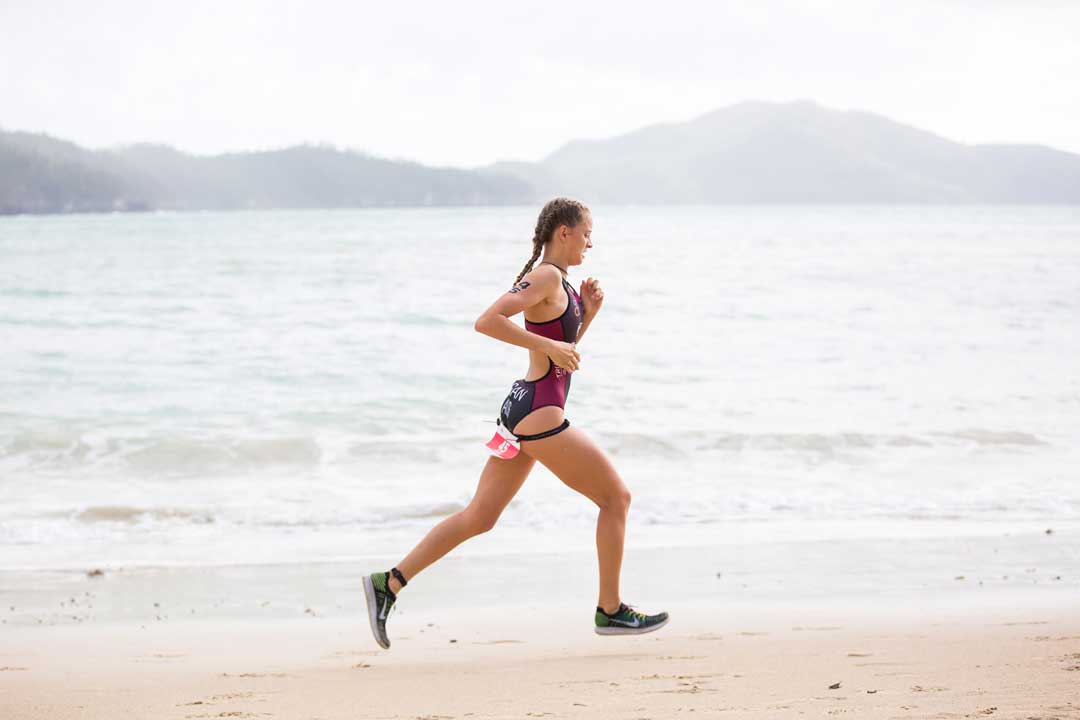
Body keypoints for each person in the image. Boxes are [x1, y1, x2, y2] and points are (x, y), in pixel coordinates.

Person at [362, 198, 669, 649]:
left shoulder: (558, 283)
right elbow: (488, 321)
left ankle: (387, 583)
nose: (591, 242)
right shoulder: (545, 275)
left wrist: (587, 317)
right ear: (563, 232)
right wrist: (555, 346)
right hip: (540, 412)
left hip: (525, 408)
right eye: (587, 233)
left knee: (478, 517)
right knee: (616, 499)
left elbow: (558, 353)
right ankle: (610, 609)